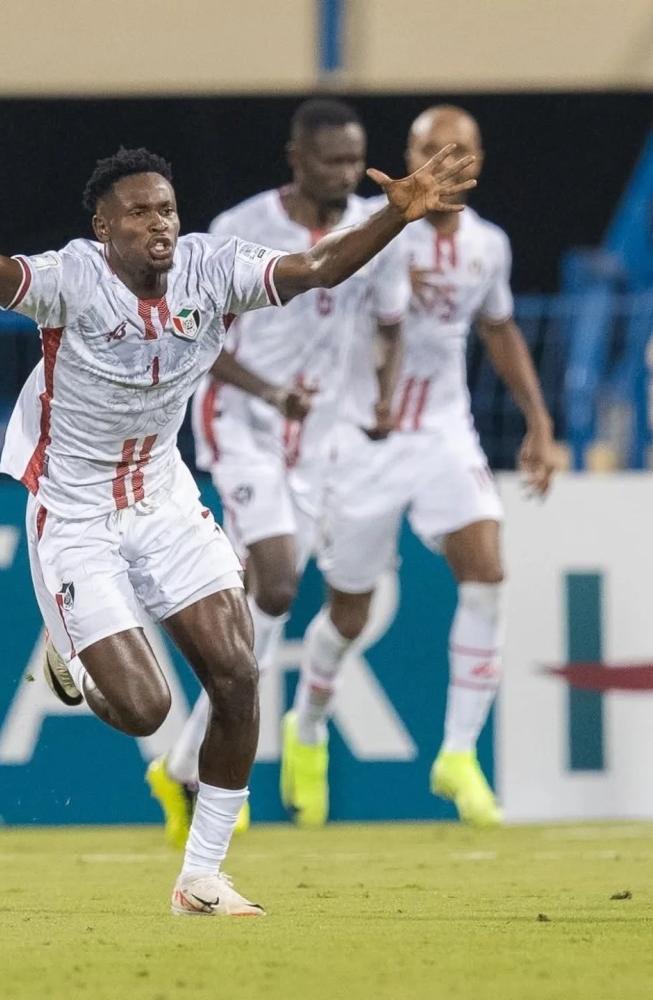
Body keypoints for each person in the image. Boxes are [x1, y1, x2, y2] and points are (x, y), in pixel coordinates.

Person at [0, 142, 475, 913]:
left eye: (168, 209)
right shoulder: (71, 279)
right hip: (75, 511)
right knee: (147, 709)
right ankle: (75, 663)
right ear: (104, 225)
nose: (160, 224)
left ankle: (202, 876)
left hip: (164, 498)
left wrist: (396, 211)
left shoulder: (211, 268)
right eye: (141, 212)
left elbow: (315, 270)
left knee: (238, 673)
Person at [146, 99, 409, 844]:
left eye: (355, 160)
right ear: (297, 158)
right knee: (281, 579)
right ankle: (203, 761)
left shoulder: (372, 228)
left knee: (256, 594)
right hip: (243, 421)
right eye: (333, 161)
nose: (348, 174)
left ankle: (186, 761)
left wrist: (384, 400)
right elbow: (194, 333)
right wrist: (269, 392)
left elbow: (392, 326)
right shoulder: (238, 229)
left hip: (320, 435)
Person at [293, 105, 557, 828]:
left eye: (459, 150)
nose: (445, 161)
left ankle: (459, 754)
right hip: (362, 441)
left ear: (477, 160)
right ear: (408, 157)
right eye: (429, 149)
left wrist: (537, 422)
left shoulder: (488, 247)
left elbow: (498, 328)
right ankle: (307, 728)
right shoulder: (373, 234)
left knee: (487, 570)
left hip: (444, 433)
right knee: (348, 613)